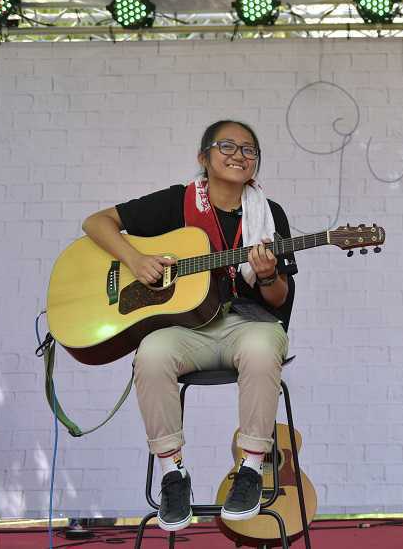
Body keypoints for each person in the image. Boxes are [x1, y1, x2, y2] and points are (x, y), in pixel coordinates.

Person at [82, 120, 296, 531]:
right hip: (187, 331)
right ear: (203, 158)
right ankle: (172, 473)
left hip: (246, 325)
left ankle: (251, 469)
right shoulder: (176, 204)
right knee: (151, 353)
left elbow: (279, 298)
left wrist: (267, 275)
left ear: (256, 166)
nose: (238, 155)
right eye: (227, 146)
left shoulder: (270, 216)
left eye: (249, 150)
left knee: (262, 347)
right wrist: (133, 259)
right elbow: (96, 222)